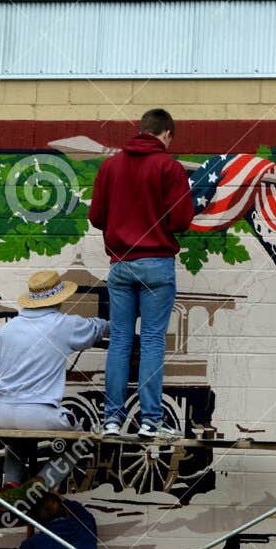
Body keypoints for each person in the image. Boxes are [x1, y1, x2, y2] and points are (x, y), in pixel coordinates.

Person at [88, 108, 192, 439]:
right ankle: (150, 421)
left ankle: (112, 421)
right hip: (156, 264)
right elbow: (181, 220)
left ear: (141, 130)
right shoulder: (169, 167)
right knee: (150, 341)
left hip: (120, 264)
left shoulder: (110, 166)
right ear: (166, 134)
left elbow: (95, 217)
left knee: (119, 340)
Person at [0, 269, 110, 492]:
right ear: (60, 299)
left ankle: (11, 483)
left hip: (2, 412)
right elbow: (97, 329)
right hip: (39, 414)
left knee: (16, 440)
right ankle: (41, 488)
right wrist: (114, 323)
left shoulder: (9, 327)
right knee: (77, 440)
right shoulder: (62, 324)